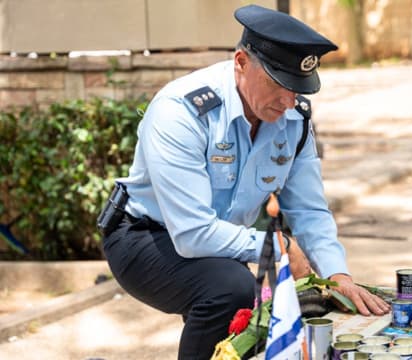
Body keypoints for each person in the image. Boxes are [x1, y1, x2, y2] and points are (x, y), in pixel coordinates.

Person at [98, 4, 390, 360]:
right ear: (240, 62)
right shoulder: (181, 111)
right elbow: (191, 233)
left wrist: (337, 276)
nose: (288, 100)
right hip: (144, 238)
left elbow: (309, 210)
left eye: (297, 88)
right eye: (278, 84)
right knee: (230, 290)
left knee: (260, 308)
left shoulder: (292, 119)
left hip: (218, 241)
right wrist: (280, 246)